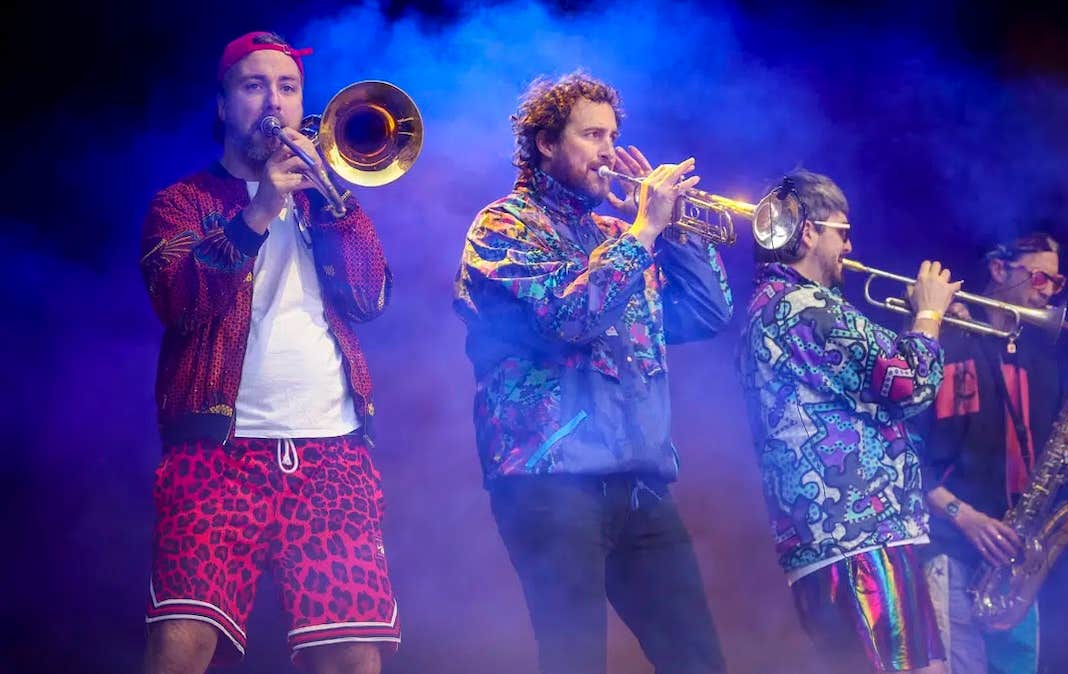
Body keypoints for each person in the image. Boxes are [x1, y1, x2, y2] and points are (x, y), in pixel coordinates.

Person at [453, 71, 732, 674]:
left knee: (699, 661)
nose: (609, 151)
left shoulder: (618, 234)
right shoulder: (502, 228)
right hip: (548, 479)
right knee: (573, 660)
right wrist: (645, 231)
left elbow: (707, 313)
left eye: (614, 135)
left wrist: (674, 229)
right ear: (546, 143)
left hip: (638, 481)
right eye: (591, 135)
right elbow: (568, 319)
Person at [138, 31, 400, 674]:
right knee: (181, 646)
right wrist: (259, 210)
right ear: (224, 105)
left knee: (352, 656)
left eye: (287, 88)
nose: (273, 103)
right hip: (216, 455)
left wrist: (334, 202)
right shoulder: (181, 204)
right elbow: (182, 303)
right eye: (255, 86)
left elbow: (371, 299)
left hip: (334, 452)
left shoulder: (324, 204)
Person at [738, 169, 956, 674]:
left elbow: (877, 390)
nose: (850, 245)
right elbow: (912, 384)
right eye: (842, 230)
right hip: (859, 538)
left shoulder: (774, 307)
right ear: (808, 231)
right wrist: (929, 316)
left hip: (844, 539)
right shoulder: (805, 306)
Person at [920, 232, 1068, 674]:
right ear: (998, 271)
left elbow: (1044, 468)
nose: (1048, 291)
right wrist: (965, 516)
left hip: (1013, 568)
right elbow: (900, 462)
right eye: (1039, 277)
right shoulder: (946, 344)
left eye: (1056, 283)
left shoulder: (1042, 366)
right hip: (951, 549)